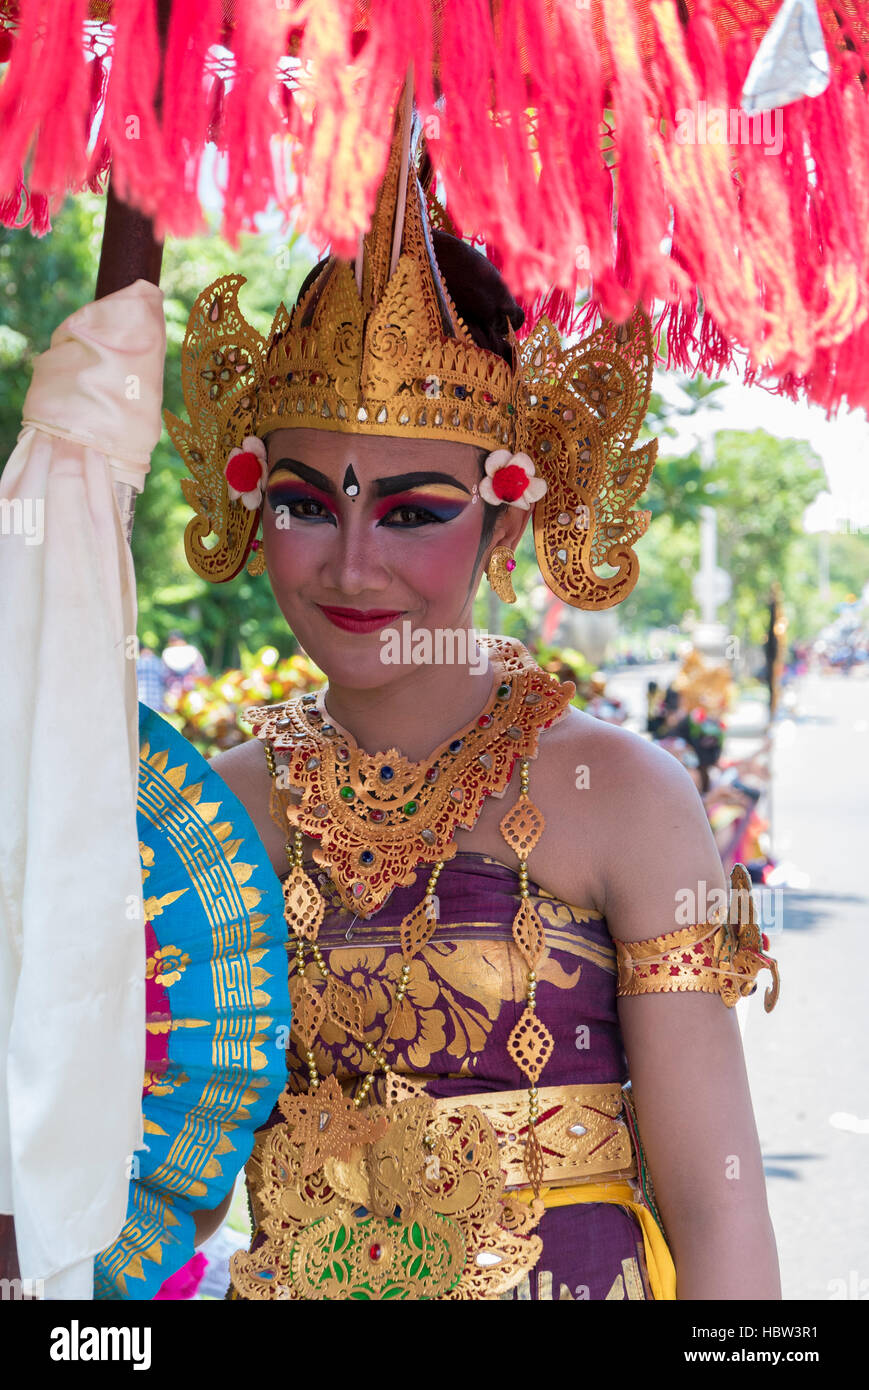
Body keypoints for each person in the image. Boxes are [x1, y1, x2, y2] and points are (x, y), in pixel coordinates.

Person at [157, 100, 780, 1301]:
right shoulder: (212, 810)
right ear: (247, 501)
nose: (348, 562)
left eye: (410, 510)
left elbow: (718, 1214)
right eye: (301, 503)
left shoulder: (620, 796)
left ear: (505, 513)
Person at [135, 644, 169, 713]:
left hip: (140, 702)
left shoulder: (136, 663)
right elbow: (165, 682)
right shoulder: (159, 663)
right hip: (156, 703)